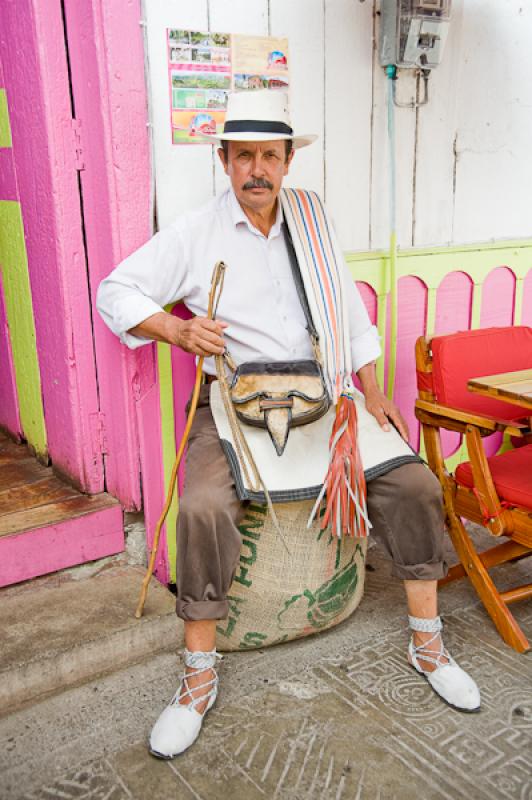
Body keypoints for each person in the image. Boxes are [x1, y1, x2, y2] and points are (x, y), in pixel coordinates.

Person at [97, 90, 480, 760]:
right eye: (242, 154)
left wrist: (371, 389)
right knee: (205, 505)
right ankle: (197, 678)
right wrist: (177, 329)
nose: (257, 169)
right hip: (239, 398)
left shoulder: (311, 216)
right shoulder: (195, 233)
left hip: (327, 393)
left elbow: (348, 313)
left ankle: (427, 639)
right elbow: (115, 292)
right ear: (224, 159)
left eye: (269, 155)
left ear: (286, 162)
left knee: (415, 484)